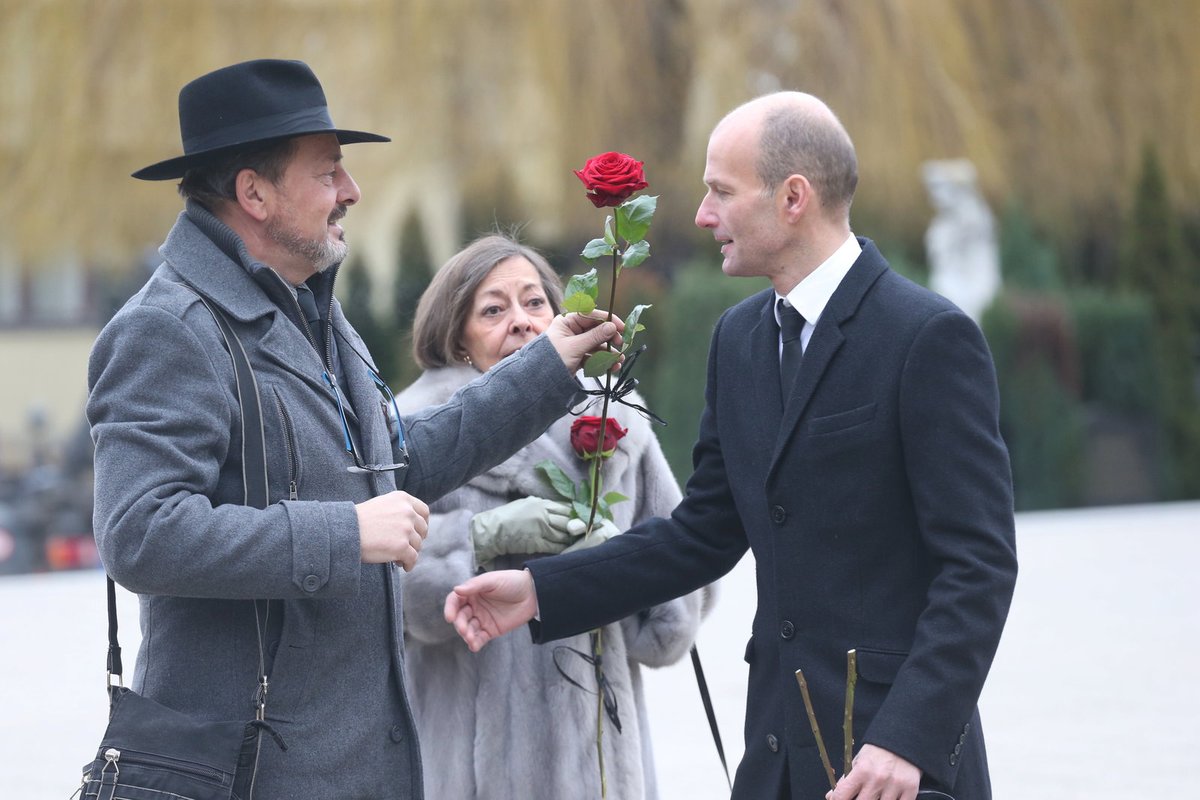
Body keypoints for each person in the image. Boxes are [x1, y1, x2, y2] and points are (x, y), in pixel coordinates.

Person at [445, 92, 1019, 800]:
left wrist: (907, 739)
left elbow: (978, 565)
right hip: (776, 758)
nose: (701, 215)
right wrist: (539, 591)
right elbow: (703, 535)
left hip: (895, 766)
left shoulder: (928, 337)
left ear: (793, 198)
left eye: (720, 191)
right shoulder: (739, 339)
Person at [87, 59, 618, 799]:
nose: (351, 191)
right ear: (255, 193)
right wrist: (345, 534)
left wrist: (548, 366)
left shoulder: (314, 312)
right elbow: (141, 533)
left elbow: (393, 462)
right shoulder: (167, 329)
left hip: (344, 768)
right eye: (329, 171)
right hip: (247, 773)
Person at [395, 233, 714, 799]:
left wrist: (620, 562)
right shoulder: (413, 435)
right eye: (493, 309)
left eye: (535, 302)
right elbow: (386, 598)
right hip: (468, 770)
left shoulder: (617, 421)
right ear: (455, 335)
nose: (521, 321)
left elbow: (673, 617)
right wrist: (479, 538)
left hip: (602, 765)